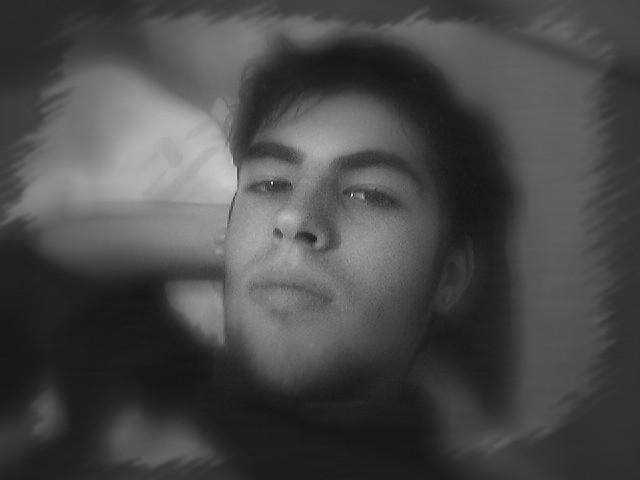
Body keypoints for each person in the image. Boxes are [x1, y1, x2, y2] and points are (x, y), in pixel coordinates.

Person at [1, 35, 514, 479]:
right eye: (270, 183)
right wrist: (247, 244)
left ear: (450, 277)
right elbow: (33, 266)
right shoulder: (142, 348)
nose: (293, 216)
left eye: (369, 193)